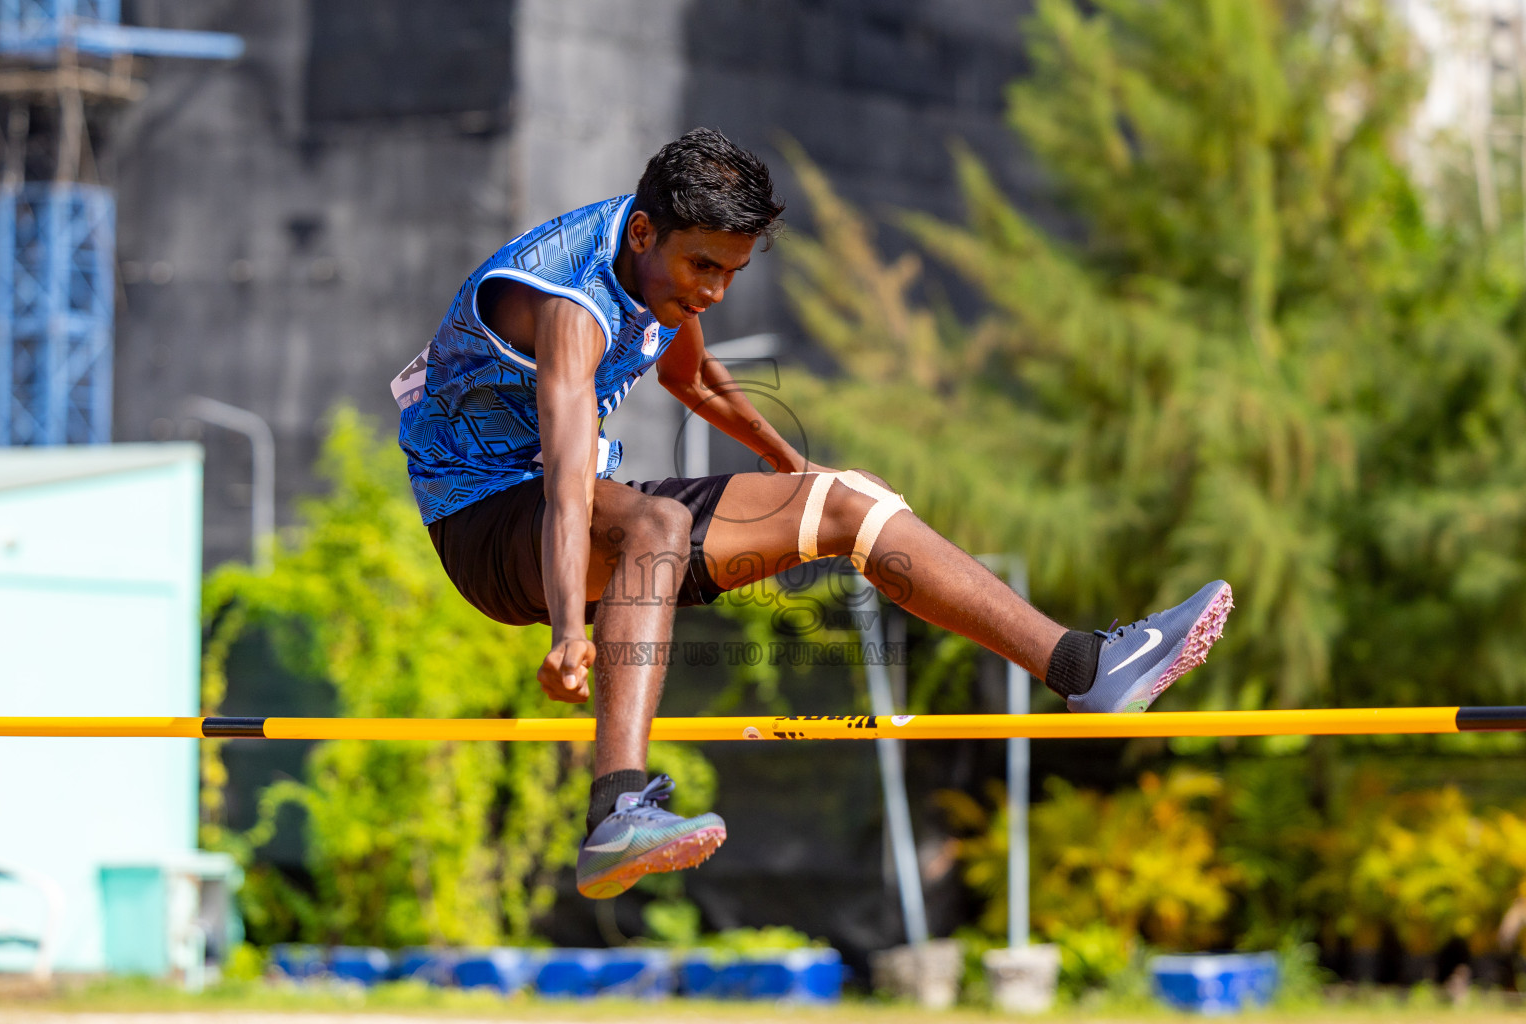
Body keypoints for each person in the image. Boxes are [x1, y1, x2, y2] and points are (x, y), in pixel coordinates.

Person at [393, 128, 1233, 900]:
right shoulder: (571, 301)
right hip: (488, 524)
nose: (717, 292)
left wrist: (797, 475)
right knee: (656, 526)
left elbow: (692, 380)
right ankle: (619, 809)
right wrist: (568, 635)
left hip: (573, 510)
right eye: (704, 270)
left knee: (852, 500)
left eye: (732, 273)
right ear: (645, 235)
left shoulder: (655, 269)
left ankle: (1084, 668)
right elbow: (571, 476)